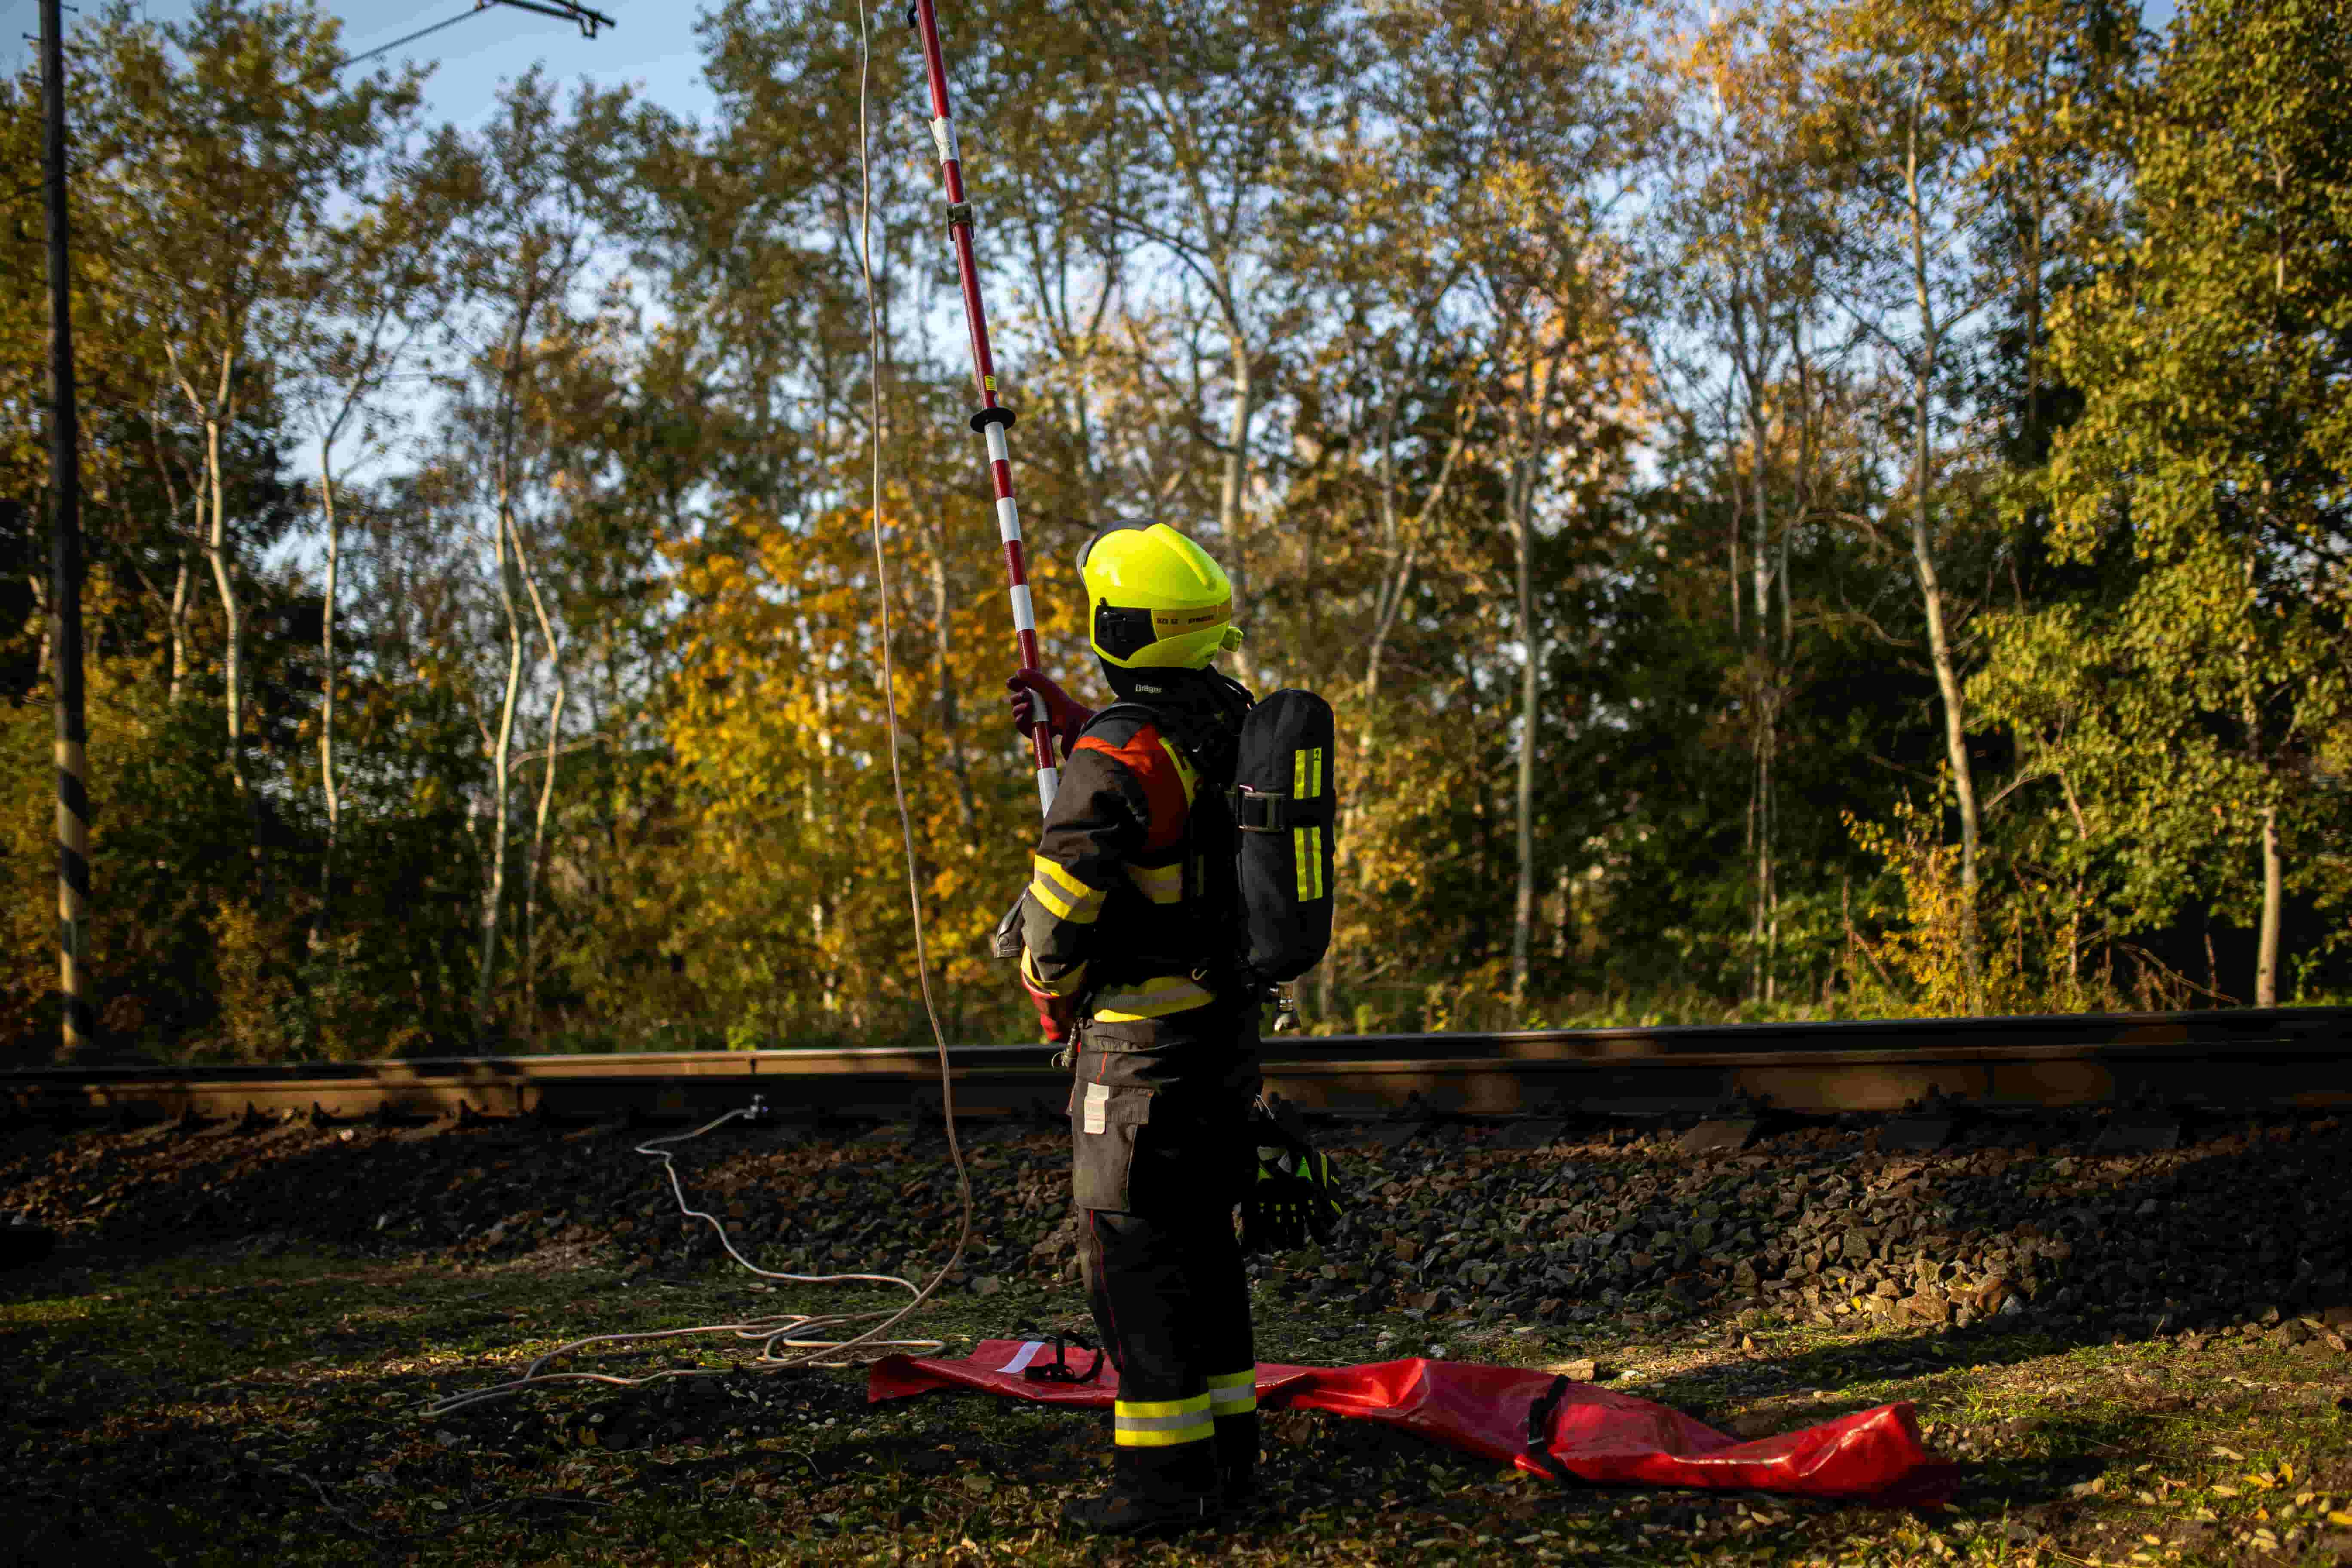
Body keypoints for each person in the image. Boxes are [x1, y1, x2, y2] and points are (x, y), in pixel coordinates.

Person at [1005, 519, 1262, 1537]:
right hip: (1222, 1037)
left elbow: (1059, 912)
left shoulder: (1117, 753)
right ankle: (1229, 1459)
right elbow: (1172, 804)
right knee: (1203, 1246)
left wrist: (1042, 980)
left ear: (1115, 627)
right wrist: (1076, 722)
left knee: (1133, 1261)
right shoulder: (1234, 720)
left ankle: (1163, 1488)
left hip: (1138, 1055)